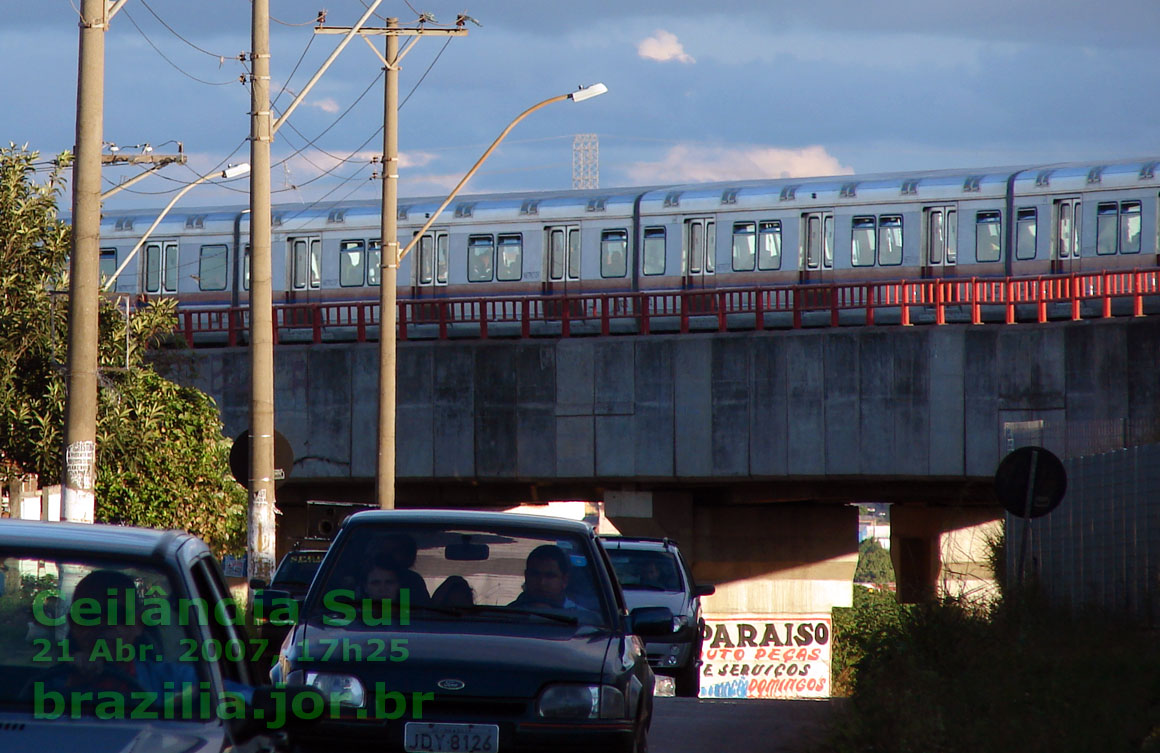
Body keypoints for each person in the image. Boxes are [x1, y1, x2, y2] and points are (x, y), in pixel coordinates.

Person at [509, 545, 581, 610]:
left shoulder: (581, 618)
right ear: (526, 576)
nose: (542, 582)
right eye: (535, 575)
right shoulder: (506, 615)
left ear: (564, 580)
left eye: (550, 576)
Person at [367, 534, 430, 605]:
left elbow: (424, 612)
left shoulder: (414, 581)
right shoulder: (362, 579)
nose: (383, 589)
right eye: (375, 583)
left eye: (390, 582)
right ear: (366, 587)